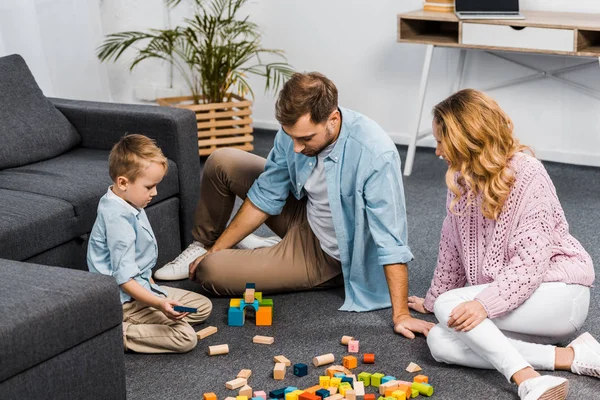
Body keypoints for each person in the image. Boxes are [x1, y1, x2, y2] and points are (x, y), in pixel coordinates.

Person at [154, 72, 433, 337]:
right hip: (305, 211)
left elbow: (391, 239)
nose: (296, 147)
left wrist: (401, 316)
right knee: (221, 162)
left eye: (306, 138)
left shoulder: (375, 154)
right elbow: (266, 194)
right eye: (291, 137)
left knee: (210, 271)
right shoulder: (294, 133)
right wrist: (214, 248)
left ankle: (255, 253)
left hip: (328, 254)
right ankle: (202, 247)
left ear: (332, 119)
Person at [408, 89, 598, 400]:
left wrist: (480, 304)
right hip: (512, 299)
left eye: (442, 141)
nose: (438, 151)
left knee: (452, 309)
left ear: (465, 138)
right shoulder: (459, 180)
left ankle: (528, 379)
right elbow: (451, 249)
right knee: (440, 341)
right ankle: (571, 357)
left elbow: (530, 265)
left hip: (559, 293)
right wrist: (433, 301)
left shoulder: (528, 173)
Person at [87, 134, 212, 353]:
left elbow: (137, 263)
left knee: (202, 308)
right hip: (126, 301)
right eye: (149, 187)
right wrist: (158, 303)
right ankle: (117, 332)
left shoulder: (129, 201)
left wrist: (154, 291)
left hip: (142, 288)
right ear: (123, 182)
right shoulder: (117, 220)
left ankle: (151, 319)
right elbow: (124, 281)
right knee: (185, 338)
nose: (155, 192)